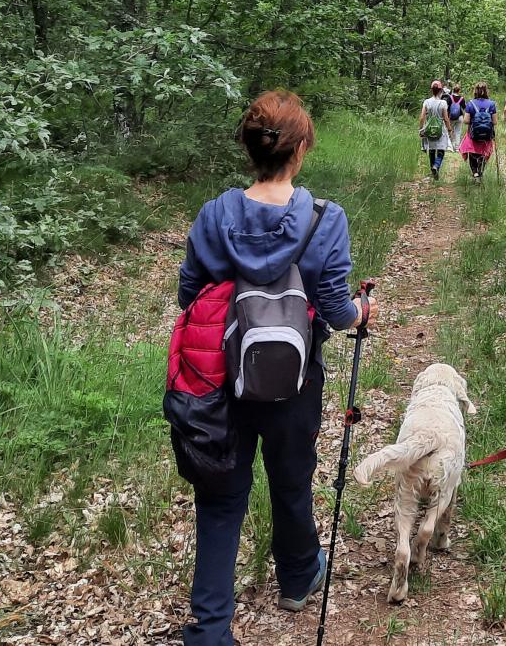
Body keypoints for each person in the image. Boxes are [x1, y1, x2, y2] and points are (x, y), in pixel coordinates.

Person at [177, 90, 377, 646]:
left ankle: (210, 630)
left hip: (220, 379)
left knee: (221, 498)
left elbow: (188, 296)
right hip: (295, 381)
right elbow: (338, 313)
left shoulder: (215, 215)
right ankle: (297, 575)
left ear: (249, 147)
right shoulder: (324, 219)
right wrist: (363, 310)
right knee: (291, 480)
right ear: (301, 149)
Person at [459, 81, 499, 182]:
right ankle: (481, 172)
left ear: (475, 91)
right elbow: (495, 122)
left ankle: (475, 173)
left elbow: (466, 121)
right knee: (483, 153)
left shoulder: (471, 103)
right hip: (487, 135)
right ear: (486, 91)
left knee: (472, 152)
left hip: (473, 134)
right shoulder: (492, 104)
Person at [419, 80, 454, 181]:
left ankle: (432, 170)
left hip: (429, 129)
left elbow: (422, 117)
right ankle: (436, 166)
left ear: (431, 90)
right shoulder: (443, 103)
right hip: (440, 130)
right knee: (441, 149)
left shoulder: (426, 102)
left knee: (432, 149)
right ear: (440, 91)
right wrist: (449, 129)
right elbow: (446, 118)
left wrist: (421, 129)